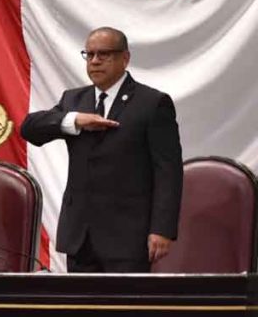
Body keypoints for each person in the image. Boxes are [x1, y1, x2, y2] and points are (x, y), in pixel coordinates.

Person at [21, 26, 182, 272]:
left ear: (125, 58)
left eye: (104, 54)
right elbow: (30, 129)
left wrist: (162, 229)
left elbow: (168, 172)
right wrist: (74, 120)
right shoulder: (73, 100)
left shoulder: (152, 103)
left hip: (128, 237)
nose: (95, 61)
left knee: (125, 309)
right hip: (80, 237)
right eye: (90, 54)